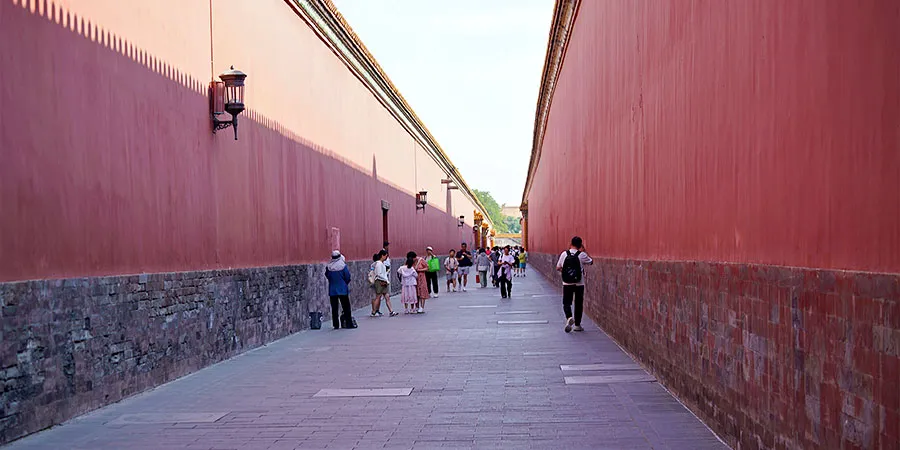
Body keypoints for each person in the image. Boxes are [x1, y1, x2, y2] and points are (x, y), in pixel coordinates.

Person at [557, 236, 594, 332]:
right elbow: (591, 261)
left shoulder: (564, 254)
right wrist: (584, 250)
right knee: (578, 303)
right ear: (580, 245)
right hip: (579, 283)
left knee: (566, 303)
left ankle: (569, 317)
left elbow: (558, 267)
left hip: (567, 283)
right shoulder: (582, 255)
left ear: (571, 243)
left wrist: (566, 272)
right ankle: (577, 325)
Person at [325, 250, 353, 329]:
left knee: (334, 308)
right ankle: (348, 323)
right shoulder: (343, 266)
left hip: (332, 289)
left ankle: (335, 324)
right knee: (346, 307)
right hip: (342, 289)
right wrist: (345, 283)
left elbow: (327, 275)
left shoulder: (329, 266)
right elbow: (347, 277)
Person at [372, 250, 398, 317]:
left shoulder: (381, 263)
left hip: (383, 281)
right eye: (386, 256)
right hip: (380, 281)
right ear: (382, 255)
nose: (386, 258)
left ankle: (391, 311)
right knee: (378, 297)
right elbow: (379, 274)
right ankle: (374, 312)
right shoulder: (379, 264)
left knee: (387, 297)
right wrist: (385, 279)